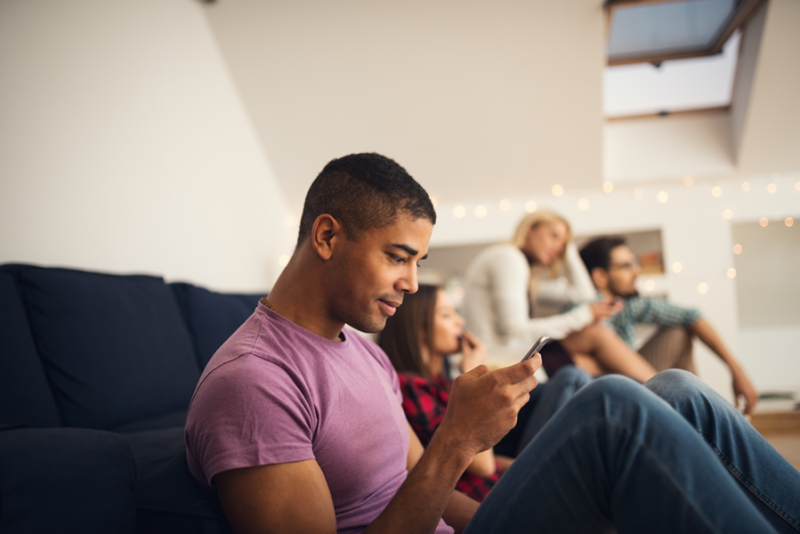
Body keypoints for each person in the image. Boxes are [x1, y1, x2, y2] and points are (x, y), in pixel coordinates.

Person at [184, 153, 799, 534]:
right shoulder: (254, 382)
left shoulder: (364, 351)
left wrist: (521, 510)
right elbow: (438, 465)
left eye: (419, 261)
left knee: (678, 391)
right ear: (326, 236)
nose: (413, 284)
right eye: (399, 258)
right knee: (614, 406)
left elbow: (417, 486)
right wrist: (457, 438)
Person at [377, 284, 592, 502]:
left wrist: (532, 468)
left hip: (502, 483)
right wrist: (473, 371)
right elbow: (482, 465)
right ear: (419, 329)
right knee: (570, 378)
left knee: (574, 381)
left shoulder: (441, 382)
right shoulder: (411, 387)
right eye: (446, 315)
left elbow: (492, 460)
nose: (460, 322)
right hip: (489, 501)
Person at [461, 211, 657, 382]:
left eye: (562, 243)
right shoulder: (509, 258)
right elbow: (515, 331)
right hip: (502, 357)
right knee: (597, 337)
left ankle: (662, 397)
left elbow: (583, 294)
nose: (558, 247)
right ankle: (664, 396)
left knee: (598, 352)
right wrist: (584, 315)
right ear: (530, 229)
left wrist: (569, 249)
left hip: (513, 353)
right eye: (553, 236)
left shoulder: (525, 272)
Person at [579, 236, 759, 414]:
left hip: (633, 385)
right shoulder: (584, 311)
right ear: (600, 277)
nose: (637, 271)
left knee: (679, 331)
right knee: (678, 336)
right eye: (627, 266)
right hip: (611, 398)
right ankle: (699, 415)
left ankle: (697, 414)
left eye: (635, 263)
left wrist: (736, 371)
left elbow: (691, 316)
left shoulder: (626, 305)